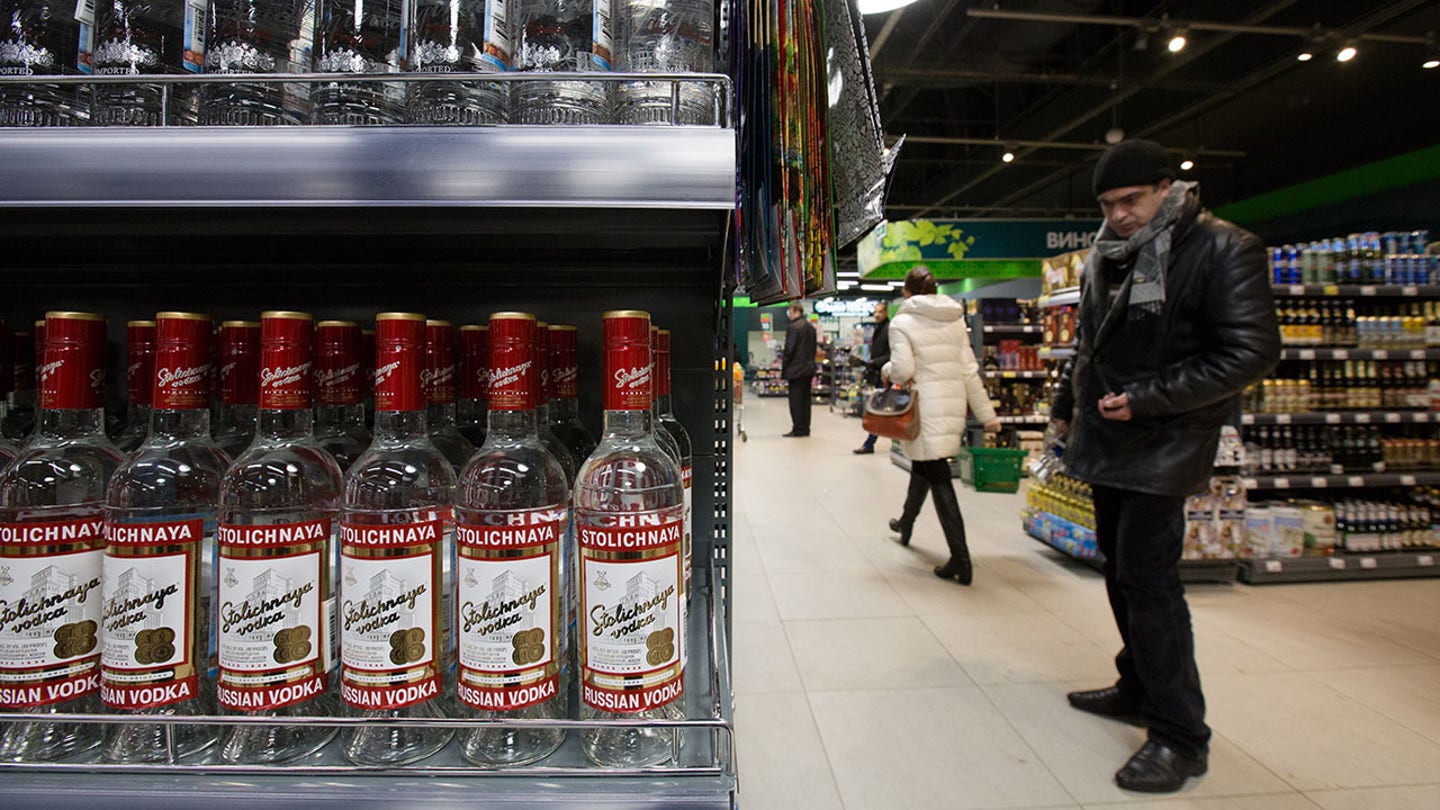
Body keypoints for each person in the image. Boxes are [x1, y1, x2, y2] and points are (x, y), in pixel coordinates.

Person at [1052, 139, 1279, 793]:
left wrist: (1148, 398)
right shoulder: (1107, 253)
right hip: (1106, 436)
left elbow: (1252, 351)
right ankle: (1137, 684)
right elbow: (1090, 343)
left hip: (1167, 438)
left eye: (1131, 200)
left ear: (1165, 189)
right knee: (1119, 570)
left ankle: (1181, 736)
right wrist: (1066, 406)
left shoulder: (1222, 248)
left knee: (1150, 583)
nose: (1118, 215)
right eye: (1107, 204)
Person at [883, 266, 1000, 584]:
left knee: (937, 475)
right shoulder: (954, 320)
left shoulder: (902, 322)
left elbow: (902, 370)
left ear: (906, 292)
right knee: (924, 466)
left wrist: (887, 369)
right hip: (951, 407)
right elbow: (969, 371)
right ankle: (905, 523)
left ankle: (961, 558)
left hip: (925, 409)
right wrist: (986, 414)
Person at [853, 300, 891, 454]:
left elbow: (891, 354)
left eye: (880, 312)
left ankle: (870, 443)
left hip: (887, 375)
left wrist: (875, 362)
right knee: (880, 409)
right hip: (879, 373)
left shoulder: (889, 329)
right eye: (875, 312)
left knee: (879, 409)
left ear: (886, 312)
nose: (877, 315)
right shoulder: (879, 329)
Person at [781, 301, 816, 437]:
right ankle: (806, 428)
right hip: (808, 369)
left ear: (796, 311)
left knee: (795, 401)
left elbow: (790, 349)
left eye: (790, 312)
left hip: (795, 369)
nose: (789, 315)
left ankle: (798, 428)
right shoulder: (811, 328)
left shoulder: (793, 327)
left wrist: (785, 365)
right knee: (806, 400)